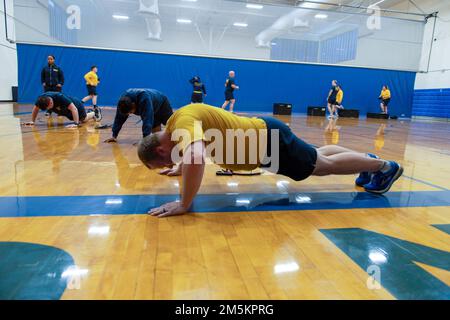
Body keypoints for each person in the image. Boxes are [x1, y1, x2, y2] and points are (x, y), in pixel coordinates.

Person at [137, 104, 404, 217]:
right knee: (318, 155)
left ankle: (384, 167)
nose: (166, 165)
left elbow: (196, 156)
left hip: (269, 144)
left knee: (321, 167)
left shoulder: (181, 124)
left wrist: (184, 204)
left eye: (161, 164)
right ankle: (366, 161)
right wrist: (179, 168)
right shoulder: (175, 123)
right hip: (267, 139)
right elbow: (192, 151)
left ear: (160, 151)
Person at [104, 89, 173, 143]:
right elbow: (118, 119)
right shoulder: (122, 103)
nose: (130, 114)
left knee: (171, 124)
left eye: (131, 112)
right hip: (152, 103)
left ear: (133, 104)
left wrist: (144, 141)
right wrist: (114, 135)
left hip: (161, 103)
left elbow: (147, 120)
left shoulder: (144, 99)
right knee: (157, 137)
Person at [23, 92, 102, 128]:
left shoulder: (60, 97)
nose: (49, 109)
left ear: (50, 102)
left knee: (83, 120)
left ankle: (94, 113)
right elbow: (35, 109)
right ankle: (88, 113)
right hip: (64, 110)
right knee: (75, 118)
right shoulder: (40, 100)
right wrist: (32, 121)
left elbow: (74, 109)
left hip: (76, 106)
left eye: (48, 108)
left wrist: (76, 123)